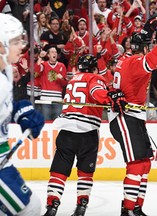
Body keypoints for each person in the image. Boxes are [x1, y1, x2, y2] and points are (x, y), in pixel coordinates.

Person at [108, 19, 157, 215]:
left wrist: (148, 30)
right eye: (147, 45)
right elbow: (151, 61)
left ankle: (136, 207)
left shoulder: (126, 58)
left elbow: (147, 58)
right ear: (144, 47)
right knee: (137, 164)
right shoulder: (135, 61)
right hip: (125, 116)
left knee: (145, 163)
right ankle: (129, 210)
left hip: (133, 116)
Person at [43, 54, 113, 216]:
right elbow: (97, 93)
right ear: (94, 68)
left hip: (66, 129)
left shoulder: (73, 79)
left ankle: (52, 205)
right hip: (87, 132)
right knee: (85, 172)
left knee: (59, 170)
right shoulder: (95, 78)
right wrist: (111, 98)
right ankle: (81, 206)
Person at [0, 13, 44, 215]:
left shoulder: (7, 70)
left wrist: (19, 111)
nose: (22, 46)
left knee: (30, 207)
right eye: (16, 41)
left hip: (2, 160)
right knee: (28, 209)